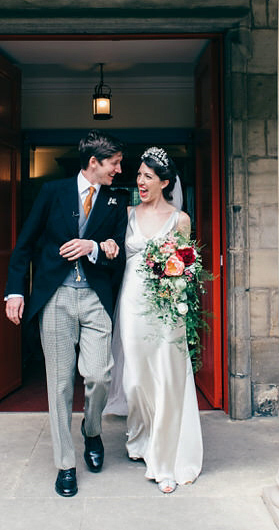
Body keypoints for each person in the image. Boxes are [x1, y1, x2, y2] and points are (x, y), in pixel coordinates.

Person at [4, 130, 128, 498]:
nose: (119, 170)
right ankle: (65, 463)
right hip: (56, 298)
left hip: (95, 298)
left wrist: (95, 246)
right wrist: (14, 291)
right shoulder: (51, 193)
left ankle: (92, 430)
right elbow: (24, 243)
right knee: (58, 384)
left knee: (99, 374)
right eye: (115, 163)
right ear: (94, 163)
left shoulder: (115, 202)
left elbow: (120, 252)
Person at [104, 146, 203, 494]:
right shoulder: (127, 214)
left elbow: (188, 268)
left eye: (148, 176)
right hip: (131, 305)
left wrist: (176, 279)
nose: (140, 181)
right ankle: (140, 436)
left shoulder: (180, 220)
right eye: (139, 175)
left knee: (165, 376)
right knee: (134, 379)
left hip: (165, 307)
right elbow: (110, 246)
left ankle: (164, 459)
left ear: (164, 182)